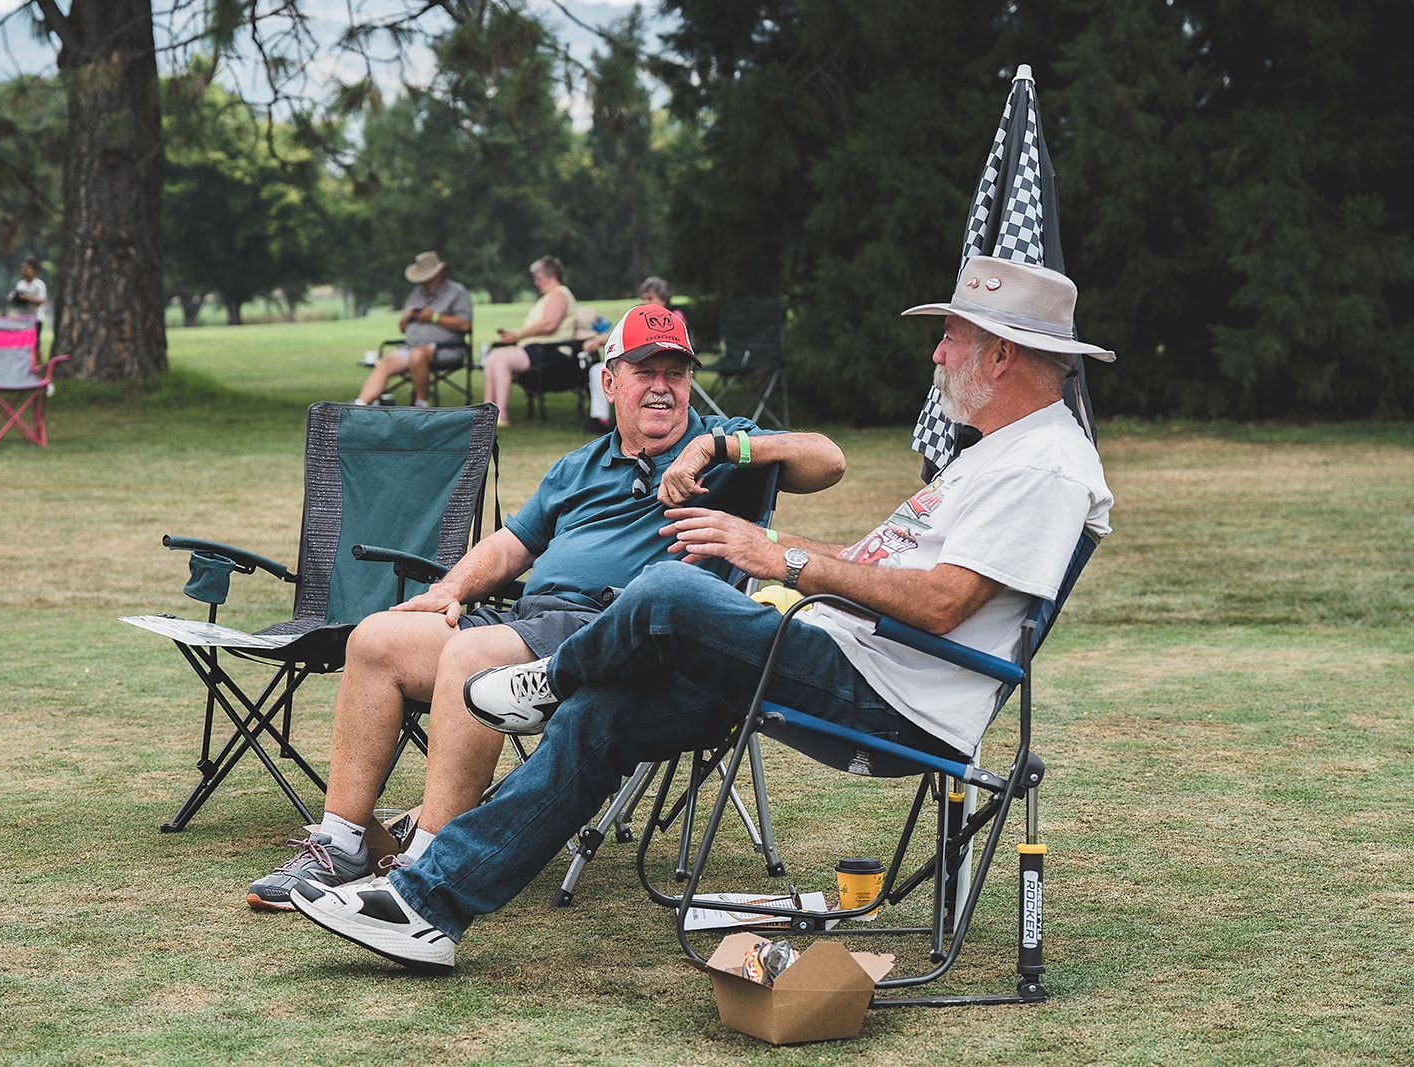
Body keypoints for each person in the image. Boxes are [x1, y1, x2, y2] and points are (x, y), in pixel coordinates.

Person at [285, 256, 1118, 973]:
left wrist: (780, 554)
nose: (939, 353)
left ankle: (550, 681)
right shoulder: (999, 454)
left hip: (890, 696)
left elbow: (943, 604)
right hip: (833, 649)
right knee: (601, 718)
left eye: (953, 337)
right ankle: (430, 904)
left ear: (1003, 354)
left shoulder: (1045, 466)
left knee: (673, 588)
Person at [244, 302, 847, 912]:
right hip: (532, 622)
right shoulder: (577, 467)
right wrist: (452, 589)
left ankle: (425, 866)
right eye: (645, 370)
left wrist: (717, 448)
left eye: (676, 372)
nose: (662, 387)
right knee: (375, 639)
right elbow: (511, 546)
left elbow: (828, 459)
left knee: (474, 656)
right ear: (610, 381)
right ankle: (341, 843)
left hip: (622, 634)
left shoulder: (728, 453)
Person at [356, 251, 474, 408]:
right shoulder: (417, 293)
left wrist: (434, 318)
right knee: (384, 363)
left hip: (447, 349)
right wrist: (407, 317)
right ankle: (359, 405)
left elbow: (465, 325)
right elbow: (402, 328)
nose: (425, 282)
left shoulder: (457, 292)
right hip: (411, 347)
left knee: (418, 355)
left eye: (428, 278)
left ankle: (420, 405)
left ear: (439, 273)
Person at [481, 256, 577, 427]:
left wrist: (518, 334)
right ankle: (485, 412)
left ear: (548, 276)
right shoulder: (549, 297)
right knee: (492, 357)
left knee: (501, 359)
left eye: (538, 278)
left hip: (551, 351)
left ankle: (501, 415)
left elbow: (549, 325)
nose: (536, 283)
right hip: (537, 348)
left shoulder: (560, 295)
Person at [581, 276, 679, 434]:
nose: (646, 303)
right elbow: (622, 335)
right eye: (643, 298)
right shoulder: (638, 315)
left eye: (650, 298)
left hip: (658, 364)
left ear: (664, 298)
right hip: (633, 362)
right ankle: (601, 418)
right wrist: (599, 339)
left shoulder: (674, 317)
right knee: (597, 370)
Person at [7, 258, 48, 354]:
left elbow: (40, 301)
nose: (25, 270)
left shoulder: (39, 284)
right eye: (23, 268)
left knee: (36, 342)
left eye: (27, 267)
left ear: (34, 270)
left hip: (36, 319)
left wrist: (26, 297)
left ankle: (38, 365)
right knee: (22, 343)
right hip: (23, 319)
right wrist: (17, 298)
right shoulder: (20, 284)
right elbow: (11, 297)